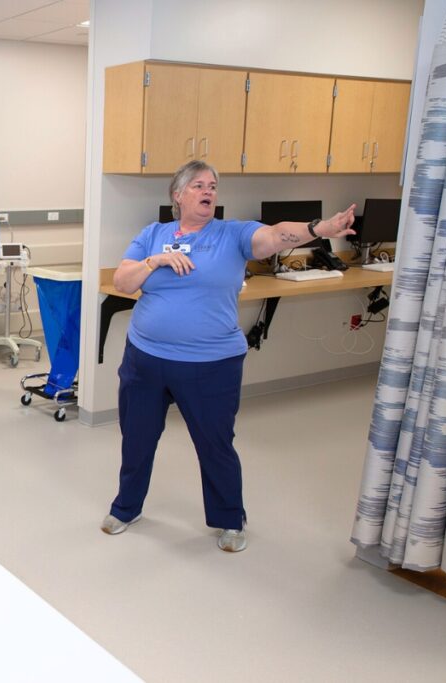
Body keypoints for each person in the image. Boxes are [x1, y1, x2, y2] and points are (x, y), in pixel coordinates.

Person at [100, 160, 356, 552]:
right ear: (178, 194)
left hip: (210, 364)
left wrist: (317, 230)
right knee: (136, 438)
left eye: (213, 186)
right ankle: (126, 506)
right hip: (146, 358)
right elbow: (122, 281)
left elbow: (274, 237)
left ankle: (229, 519)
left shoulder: (233, 234)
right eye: (199, 185)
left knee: (215, 443)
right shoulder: (153, 235)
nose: (209, 192)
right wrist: (156, 260)